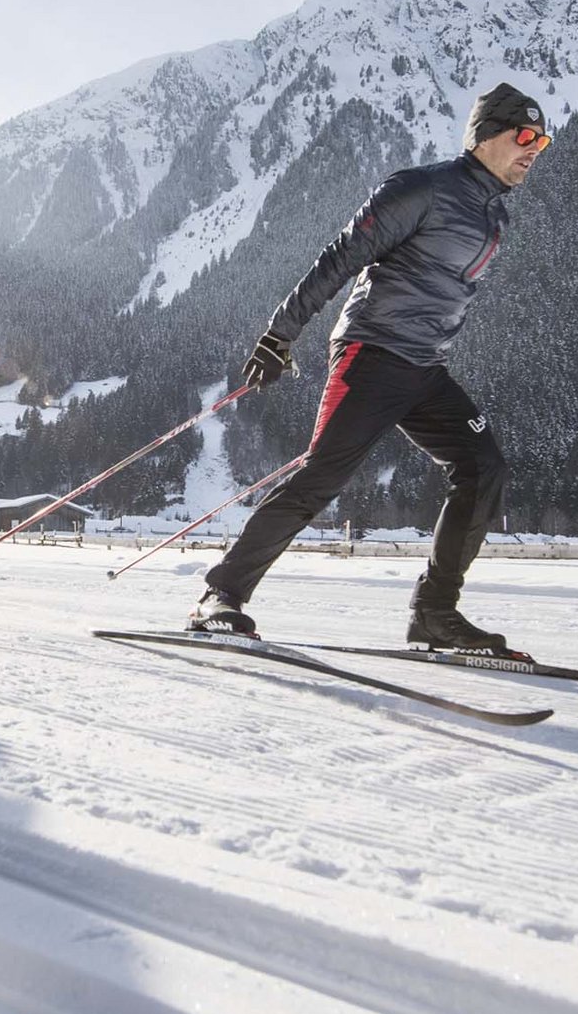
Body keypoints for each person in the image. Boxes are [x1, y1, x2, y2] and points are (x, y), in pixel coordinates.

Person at [195, 82, 551, 657]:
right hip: (372, 354)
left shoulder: (495, 215)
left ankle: (434, 614)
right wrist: (280, 334)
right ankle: (221, 595)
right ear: (487, 135)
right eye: (526, 136)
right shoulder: (421, 188)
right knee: (321, 478)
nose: (535, 149)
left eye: (543, 141)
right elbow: (340, 257)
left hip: (426, 369)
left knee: (483, 467)